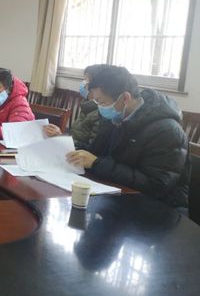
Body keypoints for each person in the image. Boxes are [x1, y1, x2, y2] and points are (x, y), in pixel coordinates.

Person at [65, 66, 189, 208]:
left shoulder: (167, 131)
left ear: (125, 98)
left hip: (158, 208)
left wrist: (96, 163)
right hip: (116, 193)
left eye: (102, 102)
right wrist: (71, 147)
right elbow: (96, 153)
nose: (100, 108)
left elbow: (156, 186)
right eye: (97, 103)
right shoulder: (115, 117)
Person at [44, 64, 107, 149]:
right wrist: (60, 136)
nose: (83, 84)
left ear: (96, 87)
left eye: (86, 80)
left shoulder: (101, 113)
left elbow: (91, 151)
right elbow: (75, 136)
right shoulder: (87, 106)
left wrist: (61, 137)